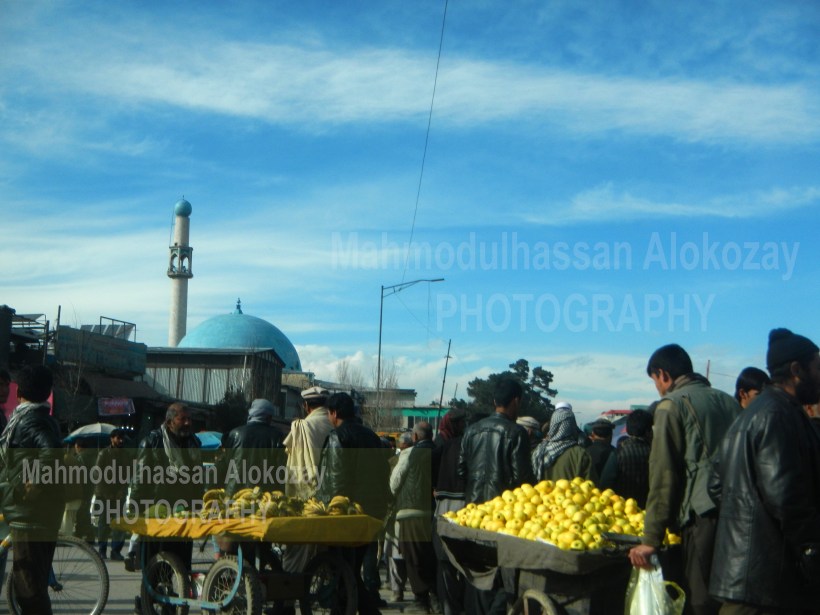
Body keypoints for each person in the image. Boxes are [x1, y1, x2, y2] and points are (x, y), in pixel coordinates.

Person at [710, 328, 820, 614]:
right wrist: (811, 551)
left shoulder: (758, 412)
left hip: (752, 578)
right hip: (764, 584)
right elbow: (787, 497)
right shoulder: (776, 415)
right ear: (797, 370)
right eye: (818, 367)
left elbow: (716, 485)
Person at [629, 344, 739, 615]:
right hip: (740, 513)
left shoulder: (671, 406)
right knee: (733, 596)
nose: (657, 387)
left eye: (655, 380)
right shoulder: (729, 401)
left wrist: (651, 538)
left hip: (703, 516)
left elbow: (663, 475)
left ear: (663, 374)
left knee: (701, 600)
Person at [457, 377, 534, 615]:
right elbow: (523, 481)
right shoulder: (516, 433)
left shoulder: (471, 431)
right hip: (505, 519)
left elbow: (461, 470)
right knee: (503, 579)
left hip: (475, 515)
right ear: (516, 401)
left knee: (478, 576)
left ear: (493, 401)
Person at [316, 392, 390, 615]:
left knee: (343, 570)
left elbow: (336, 479)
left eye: (329, 413)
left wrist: (327, 507)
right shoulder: (372, 436)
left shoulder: (339, 436)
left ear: (334, 413)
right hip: (371, 511)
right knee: (351, 571)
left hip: (347, 513)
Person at [0, 365, 65, 614]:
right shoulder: (42, 418)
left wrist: (30, 487)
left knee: (28, 588)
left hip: (32, 513)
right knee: (31, 583)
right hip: (37, 511)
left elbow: (51, 454)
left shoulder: (30, 420)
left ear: (19, 394)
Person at [129, 402, 201, 573]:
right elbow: (140, 479)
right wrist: (134, 509)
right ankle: (150, 596)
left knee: (181, 563)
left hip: (184, 512)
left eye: (189, 419)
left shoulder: (193, 442)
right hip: (156, 510)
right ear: (169, 422)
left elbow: (198, 478)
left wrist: (199, 505)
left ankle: (178, 594)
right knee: (155, 562)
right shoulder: (152, 442)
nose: (187, 423)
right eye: (182, 419)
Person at [222, 398, 286, 570]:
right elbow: (282, 472)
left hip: (235, 498)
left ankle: (228, 577)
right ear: (269, 418)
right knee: (262, 541)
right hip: (265, 501)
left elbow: (223, 465)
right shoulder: (278, 437)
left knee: (233, 542)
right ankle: (258, 577)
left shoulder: (235, 434)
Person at [282, 386, 334, 579]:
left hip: (305, 498)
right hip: (331, 499)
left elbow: (296, 471)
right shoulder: (334, 425)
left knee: (296, 552)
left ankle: (287, 600)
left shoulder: (302, 427)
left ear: (306, 406)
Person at [390, 422, 436, 613]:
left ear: (415, 438)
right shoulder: (438, 451)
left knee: (413, 558)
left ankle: (421, 601)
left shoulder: (408, 454)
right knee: (430, 555)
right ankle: (435, 598)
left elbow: (394, 484)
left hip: (410, 512)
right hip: (434, 512)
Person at [433, 410, 467, 615]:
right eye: (458, 423)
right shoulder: (442, 443)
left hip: (453, 504)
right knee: (446, 560)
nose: (461, 426)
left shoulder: (456, 442)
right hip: (449, 505)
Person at [600, 409, 653, 508]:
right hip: (649, 510)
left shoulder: (619, 453)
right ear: (648, 431)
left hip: (623, 510)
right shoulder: (656, 453)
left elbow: (605, 484)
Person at [531, 402, 597, 482]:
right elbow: (591, 486)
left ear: (553, 425)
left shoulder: (537, 452)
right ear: (573, 426)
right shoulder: (581, 454)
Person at [94, 428, 129, 560]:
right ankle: (102, 550)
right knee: (104, 523)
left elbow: (127, 475)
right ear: (112, 439)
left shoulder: (125, 454)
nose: (121, 440)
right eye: (118, 438)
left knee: (119, 524)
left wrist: (121, 491)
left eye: (122, 438)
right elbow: (98, 475)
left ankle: (116, 550)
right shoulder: (103, 454)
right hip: (104, 494)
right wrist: (106, 493)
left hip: (119, 494)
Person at [386, 432, 412, 602]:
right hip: (412, 510)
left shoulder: (400, 459)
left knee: (396, 551)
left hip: (400, 510)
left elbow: (393, 484)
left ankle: (397, 590)